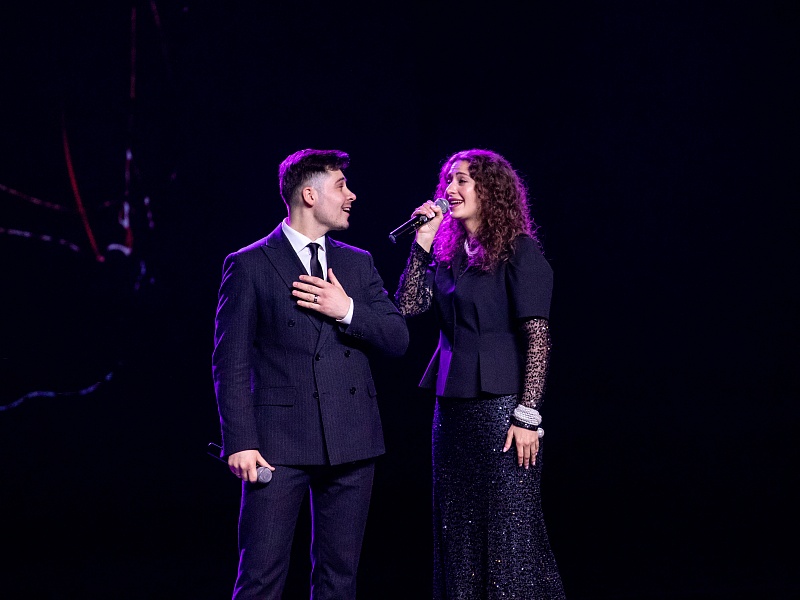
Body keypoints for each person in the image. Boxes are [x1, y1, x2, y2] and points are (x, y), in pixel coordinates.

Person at [212, 148, 409, 599]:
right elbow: (230, 361)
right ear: (309, 194)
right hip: (277, 445)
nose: (351, 195)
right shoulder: (249, 263)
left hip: (352, 438)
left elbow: (398, 339)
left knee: (339, 579)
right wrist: (239, 441)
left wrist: (347, 310)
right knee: (261, 577)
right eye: (341, 186)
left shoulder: (356, 262)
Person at [394, 149, 566, 599]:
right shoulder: (450, 254)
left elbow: (538, 339)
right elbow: (408, 306)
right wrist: (422, 242)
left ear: (490, 190)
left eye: (462, 180)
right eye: (448, 181)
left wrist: (527, 415)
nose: (450, 190)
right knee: (456, 530)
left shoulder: (519, 251)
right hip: (451, 410)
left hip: (502, 411)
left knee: (509, 532)